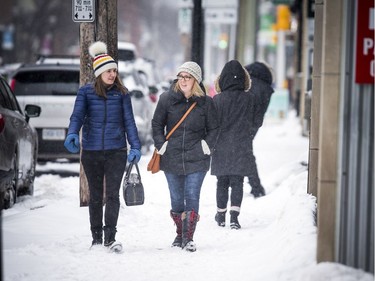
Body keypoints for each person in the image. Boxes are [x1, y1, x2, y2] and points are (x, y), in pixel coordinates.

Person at [64, 41, 141, 250]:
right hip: (91, 151)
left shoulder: (122, 94)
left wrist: (135, 146)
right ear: (99, 72)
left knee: (113, 195)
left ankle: (110, 238)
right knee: (96, 196)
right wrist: (72, 133)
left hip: (116, 151)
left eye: (115, 70)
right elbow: (77, 116)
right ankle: (96, 238)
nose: (112, 74)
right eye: (108, 70)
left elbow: (129, 122)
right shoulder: (86, 93)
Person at [151, 61, 219, 252]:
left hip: (197, 157)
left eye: (187, 77)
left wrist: (206, 146)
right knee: (176, 200)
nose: (183, 80)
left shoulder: (206, 103)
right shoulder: (166, 99)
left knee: (192, 195)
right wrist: (161, 144)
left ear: (195, 80)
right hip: (171, 156)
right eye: (180, 76)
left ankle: (188, 238)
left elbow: (214, 128)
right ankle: (180, 234)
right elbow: (157, 124)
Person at [210, 60, 252, 230]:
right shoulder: (249, 99)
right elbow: (256, 121)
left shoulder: (217, 100)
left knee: (222, 181)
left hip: (221, 146)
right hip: (241, 145)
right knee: (237, 182)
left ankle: (220, 215)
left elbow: (212, 123)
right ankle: (234, 218)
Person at [244, 62, 274, 198]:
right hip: (252, 125)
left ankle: (256, 186)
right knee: (246, 152)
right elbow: (261, 112)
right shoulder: (266, 88)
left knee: (245, 153)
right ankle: (255, 186)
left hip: (241, 122)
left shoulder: (249, 84)